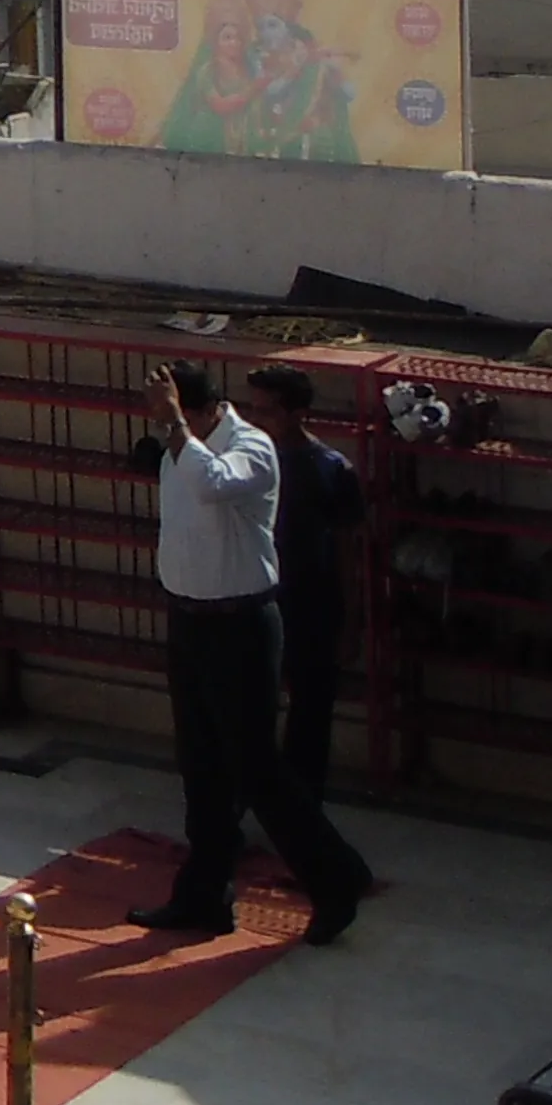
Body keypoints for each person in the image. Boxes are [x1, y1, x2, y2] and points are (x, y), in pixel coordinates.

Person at [131, 363, 369, 945]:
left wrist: (177, 435)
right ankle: (203, 895)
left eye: (174, 413)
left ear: (203, 410)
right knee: (202, 767)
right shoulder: (177, 450)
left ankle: (335, 876)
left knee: (256, 768)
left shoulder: (251, 448)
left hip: (240, 624)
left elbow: (214, 482)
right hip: (191, 620)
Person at [240, 366, 367, 803]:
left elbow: (350, 555)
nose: (257, 420)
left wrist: (351, 624)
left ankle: (302, 807)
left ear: (297, 413)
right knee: (249, 710)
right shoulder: (243, 463)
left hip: (313, 610)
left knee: (310, 716)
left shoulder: (332, 470)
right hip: (256, 605)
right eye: (251, 410)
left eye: (268, 411)